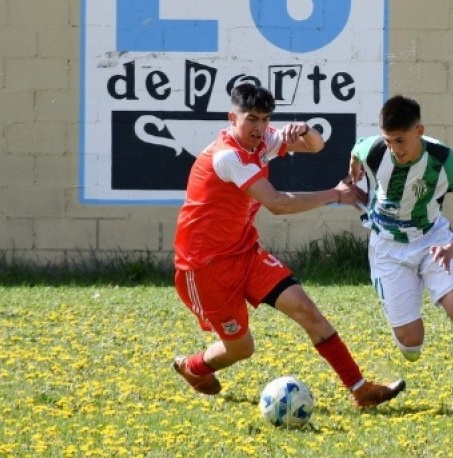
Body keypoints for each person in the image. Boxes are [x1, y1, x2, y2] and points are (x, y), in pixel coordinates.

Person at [172, 83, 405, 407]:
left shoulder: (262, 140)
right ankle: (193, 366)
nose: (259, 127)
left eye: (265, 119)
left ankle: (360, 389)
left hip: (245, 252)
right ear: (232, 118)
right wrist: (335, 195)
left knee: (307, 310)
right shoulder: (228, 157)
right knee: (242, 348)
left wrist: (305, 130)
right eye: (251, 119)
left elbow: (316, 146)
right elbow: (277, 203)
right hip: (205, 267)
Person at [348, 95, 453, 411]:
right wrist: (353, 168)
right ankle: (405, 307)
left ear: (419, 130)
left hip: (434, 241)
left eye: (400, 140)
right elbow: (358, 148)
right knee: (411, 346)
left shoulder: (445, 160)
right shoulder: (376, 149)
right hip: (387, 248)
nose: (394, 149)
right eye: (388, 140)